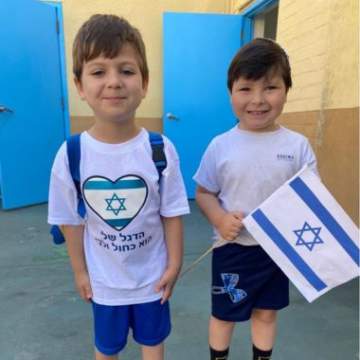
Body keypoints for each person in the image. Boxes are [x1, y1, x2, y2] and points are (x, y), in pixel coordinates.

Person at [48, 14, 189, 360]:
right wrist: (81, 272)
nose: (114, 82)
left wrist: (174, 265)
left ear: (145, 82)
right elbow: (70, 221)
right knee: (106, 348)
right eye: (98, 72)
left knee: (153, 344)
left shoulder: (160, 150)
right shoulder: (71, 155)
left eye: (126, 71)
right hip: (104, 283)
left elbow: (171, 213)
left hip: (152, 280)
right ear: (79, 86)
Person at [193, 38, 318, 360]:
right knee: (224, 315)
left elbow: (309, 199)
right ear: (231, 92)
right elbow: (204, 193)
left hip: (277, 250)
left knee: (266, 313)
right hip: (231, 250)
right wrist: (220, 219)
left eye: (271, 88)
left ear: (287, 90)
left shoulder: (298, 146)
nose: (258, 100)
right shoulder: (220, 146)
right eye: (246, 89)